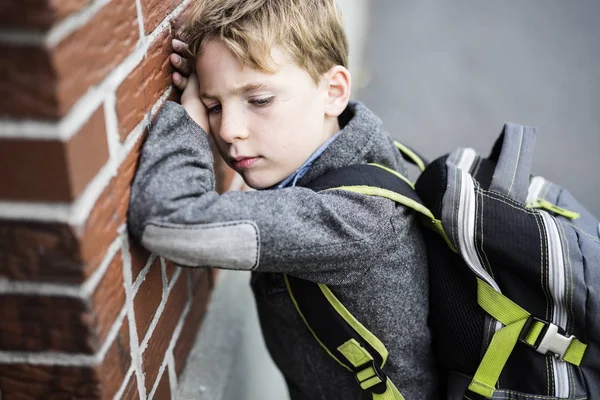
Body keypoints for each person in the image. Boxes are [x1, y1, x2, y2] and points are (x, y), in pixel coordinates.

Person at [127, 0, 438, 398]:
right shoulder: (352, 149)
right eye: (214, 107)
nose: (229, 130)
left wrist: (187, 116)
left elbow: (166, 219)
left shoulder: (354, 219)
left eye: (259, 100)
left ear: (334, 92)